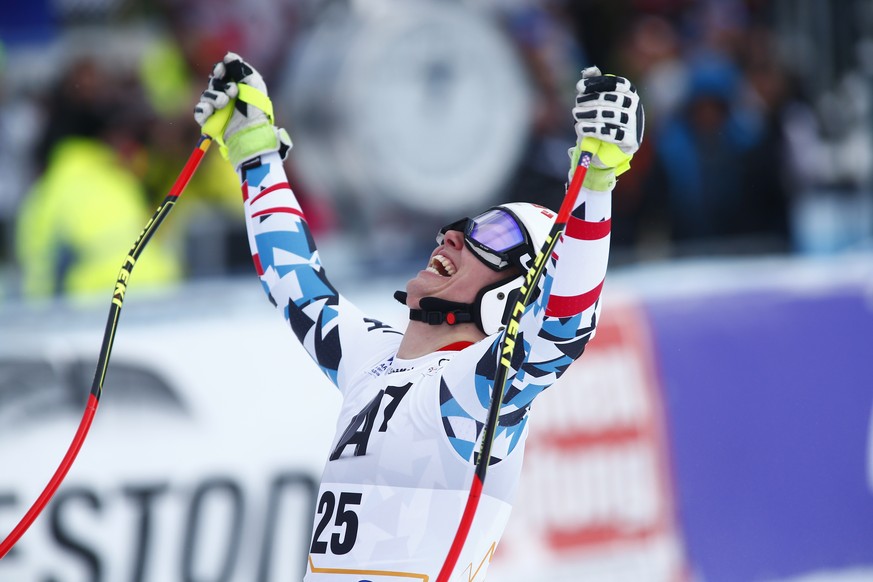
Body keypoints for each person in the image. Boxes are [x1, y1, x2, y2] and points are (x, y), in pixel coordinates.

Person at [194, 53, 642, 580]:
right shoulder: (373, 356)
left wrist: (595, 183)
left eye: (493, 238)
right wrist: (254, 148)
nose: (454, 234)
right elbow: (297, 286)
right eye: (466, 224)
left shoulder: (471, 394)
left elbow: (562, 331)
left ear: (512, 299)